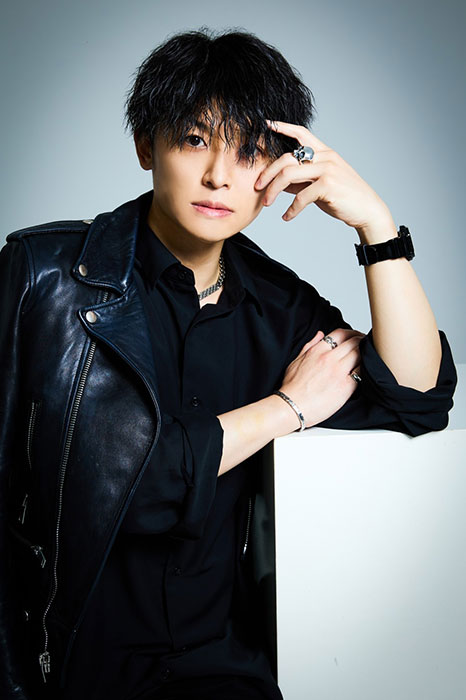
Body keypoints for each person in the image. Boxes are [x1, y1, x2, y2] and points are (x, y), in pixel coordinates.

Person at [0, 26, 457, 700]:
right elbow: (125, 485)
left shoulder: (275, 304)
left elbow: (418, 399)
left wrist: (377, 227)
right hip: (66, 668)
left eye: (249, 152)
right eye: (195, 140)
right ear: (146, 145)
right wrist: (286, 409)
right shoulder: (46, 279)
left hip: (225, 672)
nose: (220, 175)